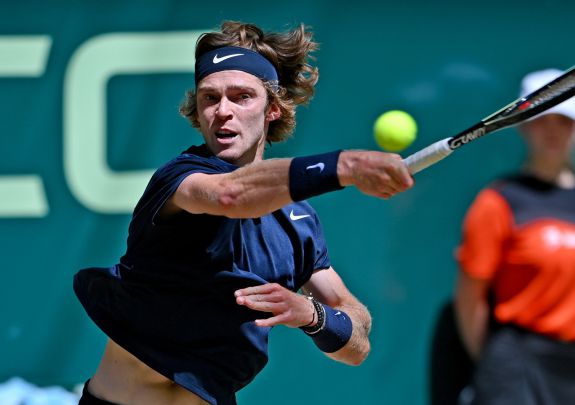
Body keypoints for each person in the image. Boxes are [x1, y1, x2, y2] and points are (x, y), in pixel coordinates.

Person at [73, 21, 414, 405]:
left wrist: (309, 312)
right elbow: (231, 194)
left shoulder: (297, 222)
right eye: (209, 98)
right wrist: (345, 166)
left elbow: (357, 344)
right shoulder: (181, 178)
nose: (223, 111)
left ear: (272, 109)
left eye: (241, 97)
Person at [432, 68, 575, 405]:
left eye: (564, 121)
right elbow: (469, 298)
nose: (553, 131)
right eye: (542, 120)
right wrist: (498, 368)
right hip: (521, 365)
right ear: (523, 126)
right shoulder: (499, 201)